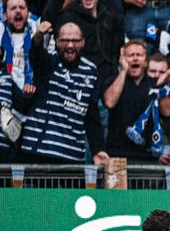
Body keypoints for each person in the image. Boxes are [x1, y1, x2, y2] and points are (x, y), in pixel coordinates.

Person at [20, 21, 108, 167]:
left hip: (72, 157)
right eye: (65, 41)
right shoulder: (48, 63)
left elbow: (92, 115)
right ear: (56, 42)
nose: (70, 46)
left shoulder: (91, 72)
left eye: (75, 41)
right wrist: (39, 35)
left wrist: (98, 149)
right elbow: (35, 53)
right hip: (39, 152)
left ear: (83, 42)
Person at [104, 40, 170, 163]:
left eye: (139, 55)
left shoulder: (154, 83)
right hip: (116, 157)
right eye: (130, 55)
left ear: (146, 62)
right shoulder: (113, 81)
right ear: (123, 60)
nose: (135, 59)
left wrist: (159, 87)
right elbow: (110, 102)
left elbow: (168, 111)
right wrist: (123, 71)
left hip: (147, 158)